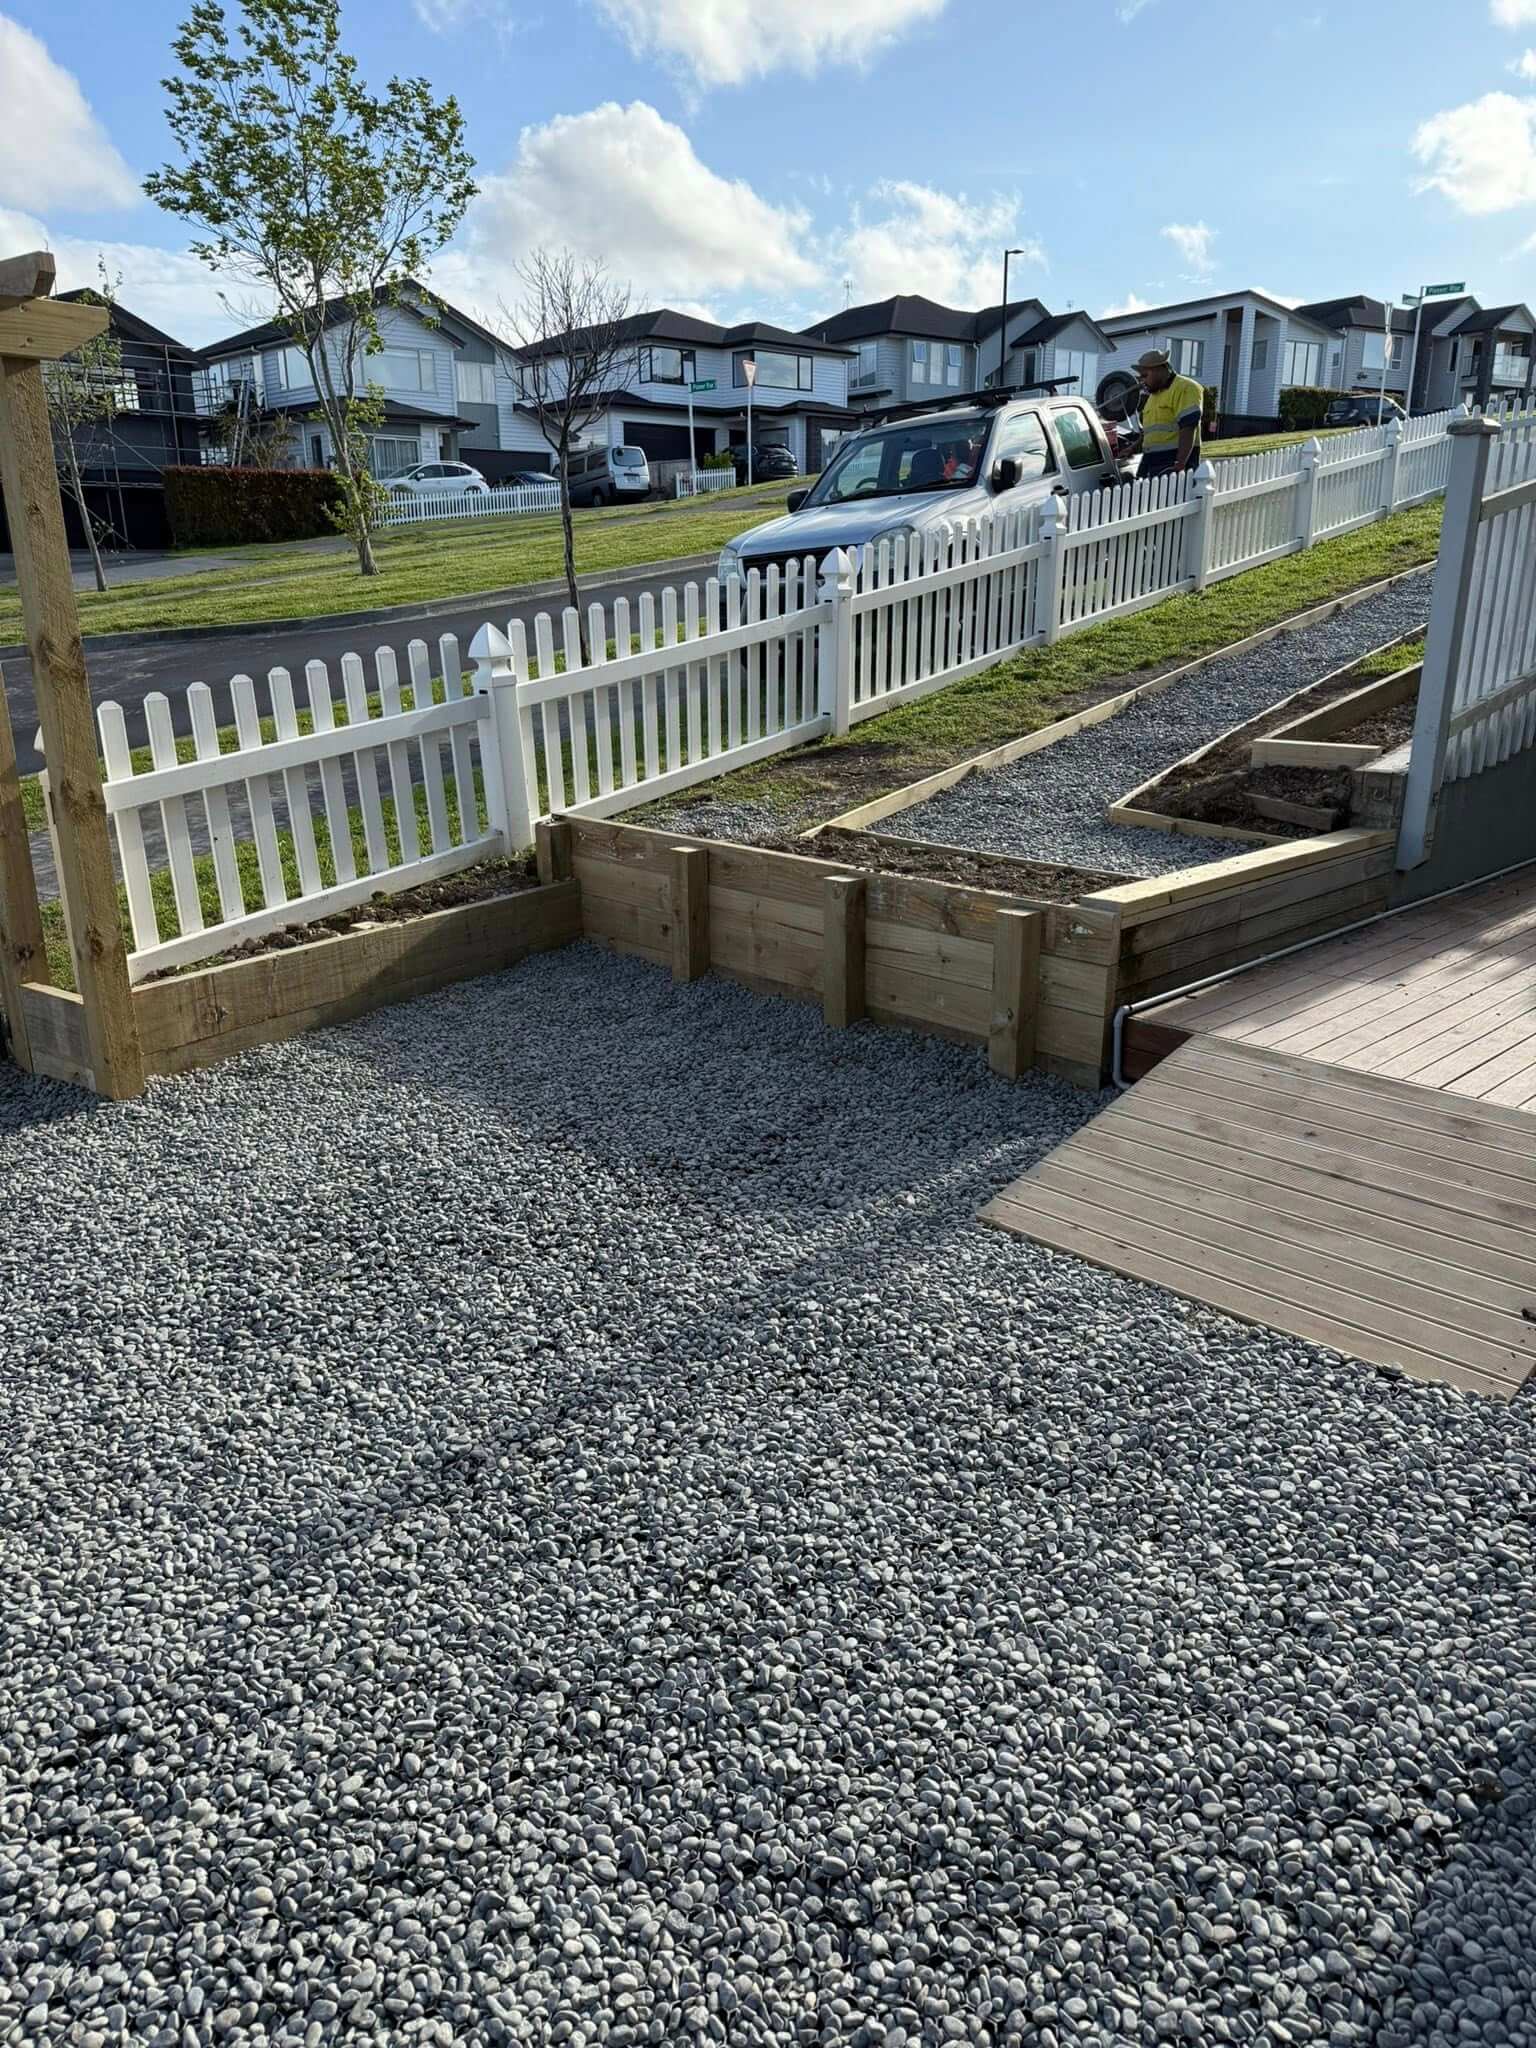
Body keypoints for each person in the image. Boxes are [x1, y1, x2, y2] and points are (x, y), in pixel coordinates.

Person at [1134, 348, 1204, 478]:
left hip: (1173, 461)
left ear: (1159, 370)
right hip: (1151, 461)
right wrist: (1133, 447)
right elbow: (1150, 432)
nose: (1143, 381)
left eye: (1145, 375)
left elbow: (1188, 427)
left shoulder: (1185, 387)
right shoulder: (1153, 396)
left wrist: (1180, 463)